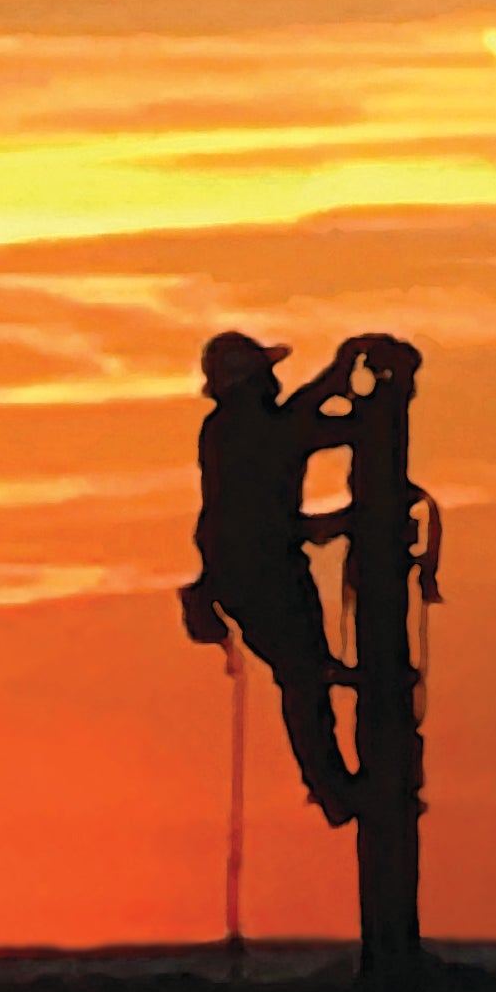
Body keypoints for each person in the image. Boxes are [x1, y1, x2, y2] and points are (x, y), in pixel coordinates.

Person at [179, 329, 376, 826]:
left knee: (304, 673)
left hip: (257, 568)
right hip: (258, 572)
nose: (273, 382)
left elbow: (301, 423)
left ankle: (334, 785)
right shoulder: (244, 429)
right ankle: (332, 788)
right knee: (303, 675)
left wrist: (340, 375)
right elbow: (302, 428)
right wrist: (346, 382)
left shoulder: (240, 426)